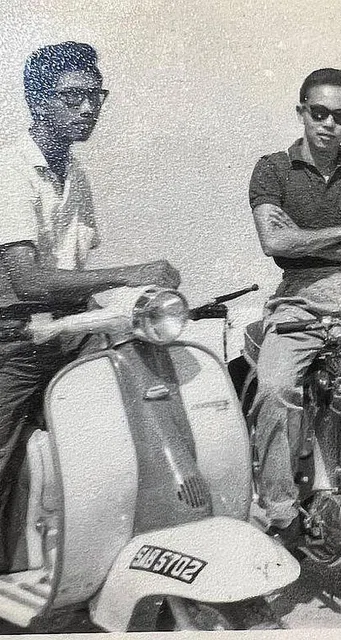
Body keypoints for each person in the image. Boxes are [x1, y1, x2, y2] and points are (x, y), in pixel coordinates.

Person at [0, 41, 180, 568]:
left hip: (67, 334)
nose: (88, 108)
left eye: (95, 95)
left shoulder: (77, 176)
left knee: (128, 434)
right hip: (14, 341)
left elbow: (77, 284)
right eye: (73, 96)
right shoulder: (11, 169)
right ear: (37, 101)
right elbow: (27, 279)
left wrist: (136, 308)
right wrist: (130, 272)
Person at [248, 68, 341, 539]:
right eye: (319, 112)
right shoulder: (273, 169)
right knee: (273, 389)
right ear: (302, 112)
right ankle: (281, 511)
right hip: (298, 301)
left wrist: (305, 240)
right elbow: (274, 241)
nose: (329, 123)